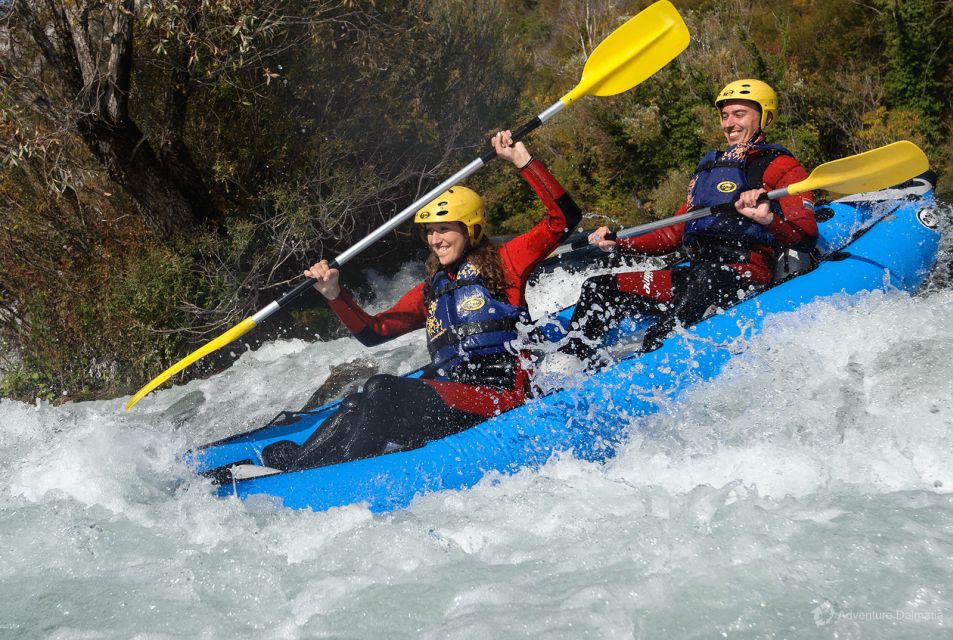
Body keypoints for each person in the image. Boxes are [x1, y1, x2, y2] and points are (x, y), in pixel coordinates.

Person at [261, 131, 582, 471]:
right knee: (355, 404)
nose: (435, 239)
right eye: (429, 231)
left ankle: (341, 474)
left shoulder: (507, 262)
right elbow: (374, 333)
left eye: (444, 228)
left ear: (470, 228)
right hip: (450, 399)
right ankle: (299, 467)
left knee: (382, 387)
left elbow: (564, 220)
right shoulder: (432, 289)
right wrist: (334, 295)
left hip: (499, 396)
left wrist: (523, 161)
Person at [553, 79, 818, 367]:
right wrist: (618, 244)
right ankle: (567, 366)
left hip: (744, 275)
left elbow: (805, 237)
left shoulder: (782, 166)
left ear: (764, 117)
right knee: (598, 288)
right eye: (725, 115)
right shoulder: (708, 170)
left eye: (739, 114)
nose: (729, 124)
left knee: (707, 280)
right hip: (698, 274)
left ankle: (655, 350)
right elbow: (671, 236)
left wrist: (768, 218)